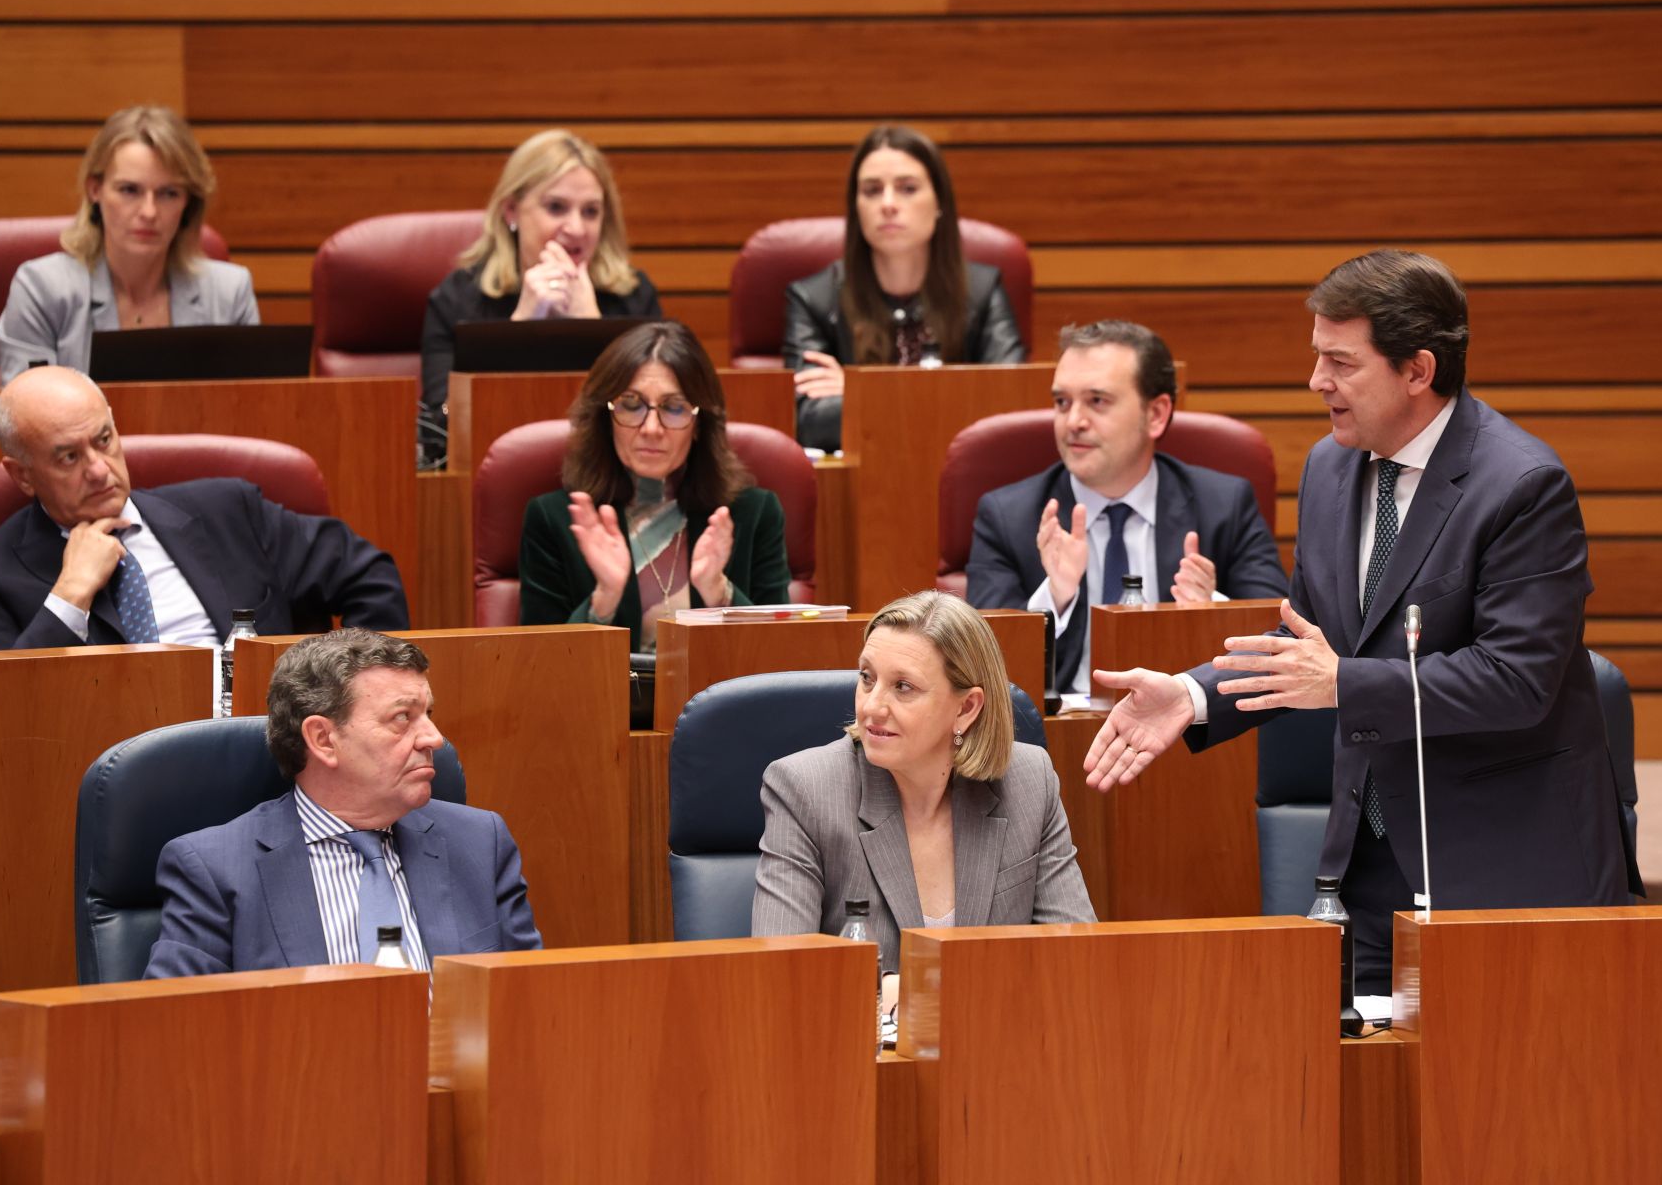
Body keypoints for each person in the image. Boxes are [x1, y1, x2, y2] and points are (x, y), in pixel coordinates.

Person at [1081, 250, 1635, 996]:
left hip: (1503, 866)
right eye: (1316, 358)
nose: (1316, 383)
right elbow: (1312, 640)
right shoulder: (1329, 468)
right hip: (1368, 864)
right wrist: (1194, 695)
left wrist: (1341, 681)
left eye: (1340, 363)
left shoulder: (1522, 485)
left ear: (1417, 369)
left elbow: (1516, 680)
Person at [145, 628, 541, 978]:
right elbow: (175, 1034)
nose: (433, 738)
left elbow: (527, 1006)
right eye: (403, 717)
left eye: (428, 714)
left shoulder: (479, 842)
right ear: (322, 739)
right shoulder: (216, 869)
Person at [0, 366, 408, 652]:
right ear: (23, 475)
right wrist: (70, 595)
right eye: (68, 457)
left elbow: (370, 575)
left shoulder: (228, 510)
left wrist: (352, 689)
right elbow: (2, 708)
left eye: (104, 440)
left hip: (261, 750)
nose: (98, 469)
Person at [753, 590, 1094, 973]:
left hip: (997, 1030)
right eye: (867, 678)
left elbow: (1076, 964)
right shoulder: (805, 790)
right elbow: (780, 977)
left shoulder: (1028, 782)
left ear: (966, 708)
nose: (871, 707)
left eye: (903, 687)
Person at [967, 320, 1288, 695]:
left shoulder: (1223, 505)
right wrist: (1057, 597)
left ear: (1155, 414)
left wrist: (1210, 610)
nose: (1073, 422)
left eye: (1097, 401)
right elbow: (982, 667)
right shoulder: (1008, 516)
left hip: (1188, 731)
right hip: (1059, 735)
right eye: (1062, 402)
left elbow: (1278, 642)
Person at [519, 321, 790, 650]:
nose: (651, 428)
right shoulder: (555, 519)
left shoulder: (753, 513)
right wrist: (603, 601)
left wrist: (720, 591)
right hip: (608, 701)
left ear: (699, 422)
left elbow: (779, 658)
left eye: (673, 408)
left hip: (719, 700)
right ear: (605, 417)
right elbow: (540, 668)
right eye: (631, 405)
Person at [417, 129, 663, 468]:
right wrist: (520, 329)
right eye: (556, 207)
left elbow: (658, 416)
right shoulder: (458, 300)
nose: (576, 228)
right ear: (511, 212)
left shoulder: (632, 297)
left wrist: (593, 328)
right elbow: (440, 425)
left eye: (590, 212)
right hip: (490, 474)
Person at [783, 124, 1025, 451]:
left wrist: (859, 395)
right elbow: (809, 423)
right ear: (856, 207)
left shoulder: (982, 292)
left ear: (939, 202)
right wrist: (950, 397)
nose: (888, 204)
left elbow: (1008, 407)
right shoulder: (814, 298)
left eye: (907, 188)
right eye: (871, 190)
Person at [0, 105, 258, 382]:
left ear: (188, 203)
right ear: (95, 189)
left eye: (169, 193)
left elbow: (248, 410)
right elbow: (28, 416)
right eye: (129, 190)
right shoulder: (42, 290)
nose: (149, 212)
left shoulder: (230, 294)